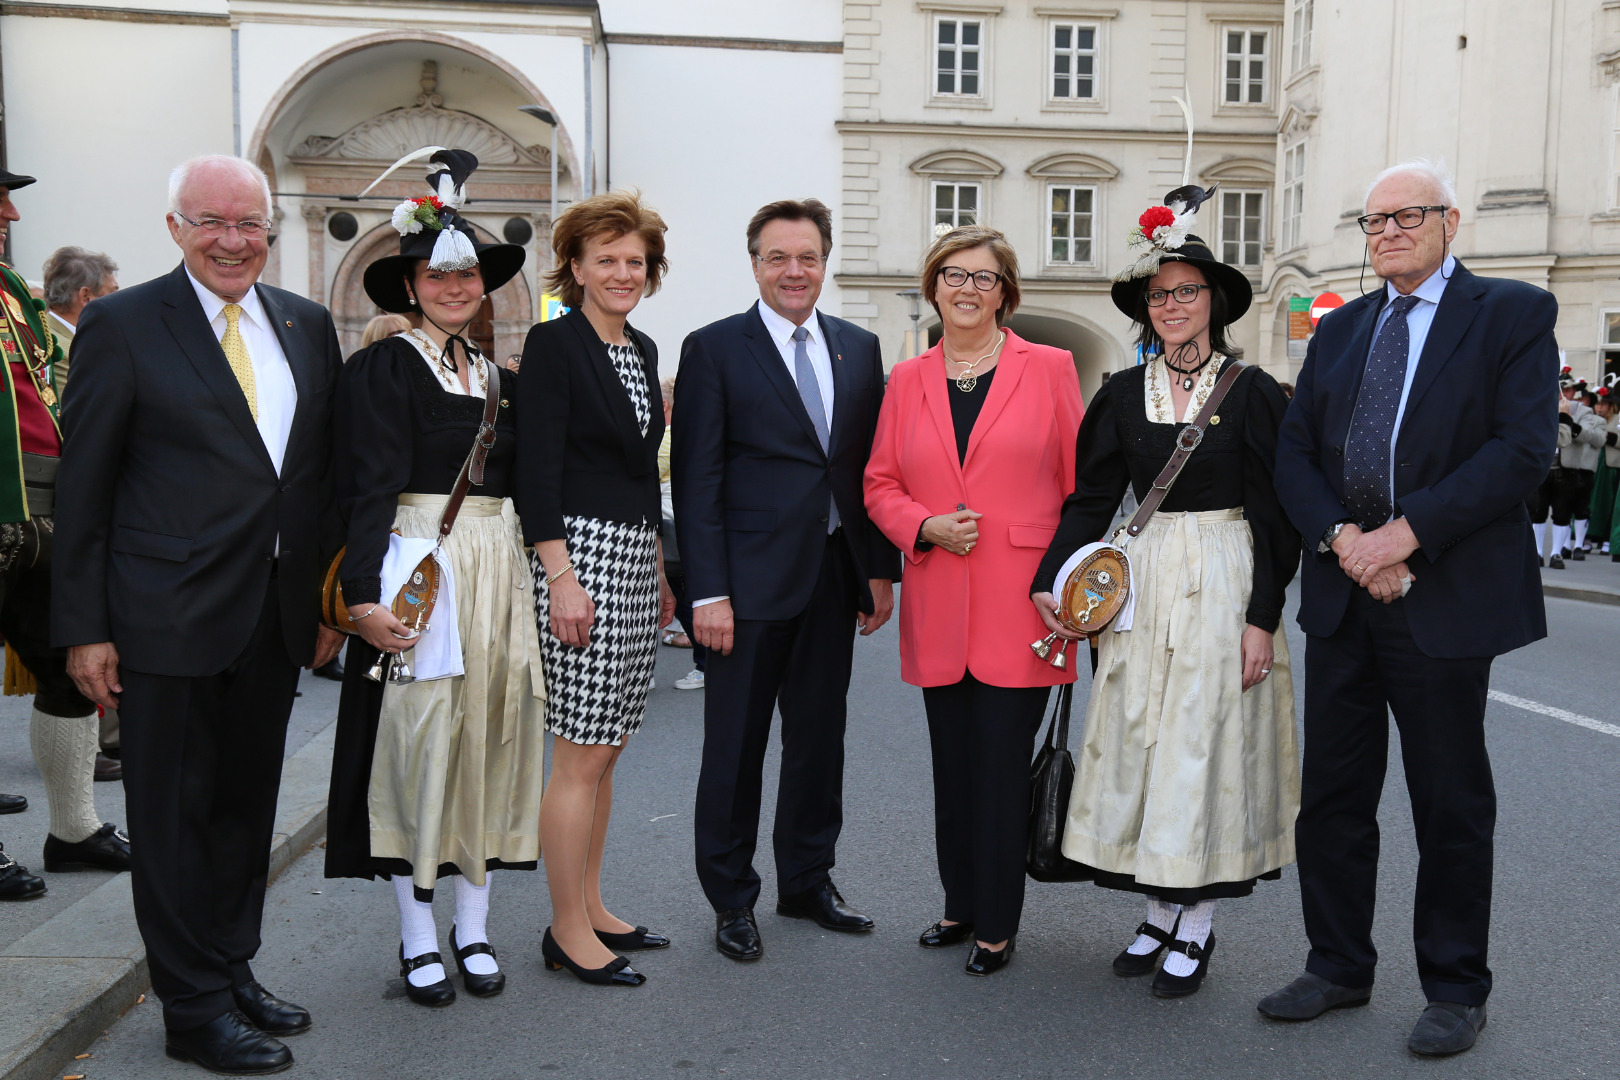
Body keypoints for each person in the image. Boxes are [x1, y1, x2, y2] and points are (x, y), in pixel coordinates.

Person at [53, 155, 345, 1074]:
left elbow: (316, 477)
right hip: (162, 618)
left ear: (269, 227)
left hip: (274, 614)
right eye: (211, 222)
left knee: (243, 810)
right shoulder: (121, 324)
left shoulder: (304, 323)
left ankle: (229, 966)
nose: (233, 240)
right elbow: (85, 489)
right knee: (175, 821)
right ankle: (190, 1010)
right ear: (175, 226)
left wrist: (331, 596)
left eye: (249, 223)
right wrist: (83, 626)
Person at [1265, 160, 1558, 1057]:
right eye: (1374, 219)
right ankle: (1338, 964)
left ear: (1450, 221)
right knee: (1335, 798)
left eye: (1408, 215)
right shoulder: (1344, 327)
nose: (1387, 231)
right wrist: (1347, 545)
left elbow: (1521, 451)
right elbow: (1296, 456)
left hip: (1441, 594)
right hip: (1347, 597)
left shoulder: (1510, 314)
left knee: (1448, 800)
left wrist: (1405, 536)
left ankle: (1457, 987)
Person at [1031, 195, 1300, 999]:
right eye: (1160, 294)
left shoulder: (1252, 392)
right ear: (1147, 309)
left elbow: (1277, 515)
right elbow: (1089, 499)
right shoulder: (1118, 393)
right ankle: (1155, 910)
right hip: (1142, 579)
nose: (1174, 305)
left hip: (1224, 570)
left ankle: (1198, 921)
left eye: (1187, 291)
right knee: (1144, 740)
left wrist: (1261, 619)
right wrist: (1054, 581)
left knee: (1202, 748)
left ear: (1213, 302)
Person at [323, 149, 544, 1008]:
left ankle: (474, 923)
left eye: (466, 275)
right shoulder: (384, 368)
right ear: (411, 284)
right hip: (419, 559)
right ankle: (417, 934)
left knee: (488, 734)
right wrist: (363, 600)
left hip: (496, 567)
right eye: (436, 273)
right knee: (415, 746)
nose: (454, 286)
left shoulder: (496, 377)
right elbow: (364, 487)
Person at [673, 198, 897, 962]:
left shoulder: (859, 349)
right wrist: (707, 592)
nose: (794, 271)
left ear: (825, 261)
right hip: (742, 591)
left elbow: (867, 471)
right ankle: (732, 898)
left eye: (807, 257)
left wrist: (876, 570)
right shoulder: (713, 349)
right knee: (733, 751)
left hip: (832, 585)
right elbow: (696, 481)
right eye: (778, 257)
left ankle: (808, 881)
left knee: (818, 744)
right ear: (756, 264)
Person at [864, 225, 1083, 976]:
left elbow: (1078, 486)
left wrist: (1064, 583)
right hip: (938, 598)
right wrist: (920, 525)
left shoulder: (1049, 367)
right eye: (953, 275)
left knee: (998, 767)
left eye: (984, 278)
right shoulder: (908, 379)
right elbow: (879, 483)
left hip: (1026, 604)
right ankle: (960, 903)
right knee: (952, 768)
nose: (966, 289)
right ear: (933, 286)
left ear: (1005, 292)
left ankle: (998, 921)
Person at [518, 189, 675, 988]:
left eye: (634, 262)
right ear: (574, 266)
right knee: (579, 755)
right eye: (606, 259)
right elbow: (535, 472)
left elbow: (641, 475)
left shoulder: (641, 349)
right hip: (577, 559)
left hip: (630, 560)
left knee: (607, 750)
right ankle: (565, 927)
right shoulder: (554, 345)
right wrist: (561, 576)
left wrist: (655, 564)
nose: (621, 273)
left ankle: (592, 902)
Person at [0, 172, 131, 904]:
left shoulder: (14, 291)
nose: (12, 213)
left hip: (43, 510)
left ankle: (74, 830)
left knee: (70, 670)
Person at [42, 245, 118, 398]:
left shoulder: (82, 338)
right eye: (112, 293)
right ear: (86, 296)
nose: (120, 301)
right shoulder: (57, 348)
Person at [1590, 387, 1619, 558]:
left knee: (1608, 502)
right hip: (1594, 463)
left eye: (1604, 404)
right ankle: (1589, 536)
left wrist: (1607, 436)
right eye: (1598, 404)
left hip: (1611, 466)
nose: (1600, 407)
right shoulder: (1592, 419)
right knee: (1591, 501)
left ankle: (1606, 538)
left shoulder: (1617, 419)